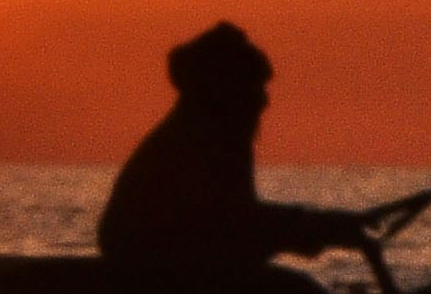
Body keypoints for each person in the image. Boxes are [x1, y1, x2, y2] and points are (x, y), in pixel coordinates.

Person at [96, 21, 394, 280]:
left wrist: (321, 226)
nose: (264, 102)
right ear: (229, 92)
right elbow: (236, 225)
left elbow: (239, 225)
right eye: (255, 89)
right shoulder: (199, 143)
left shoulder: (210, 138)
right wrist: (323, 226)